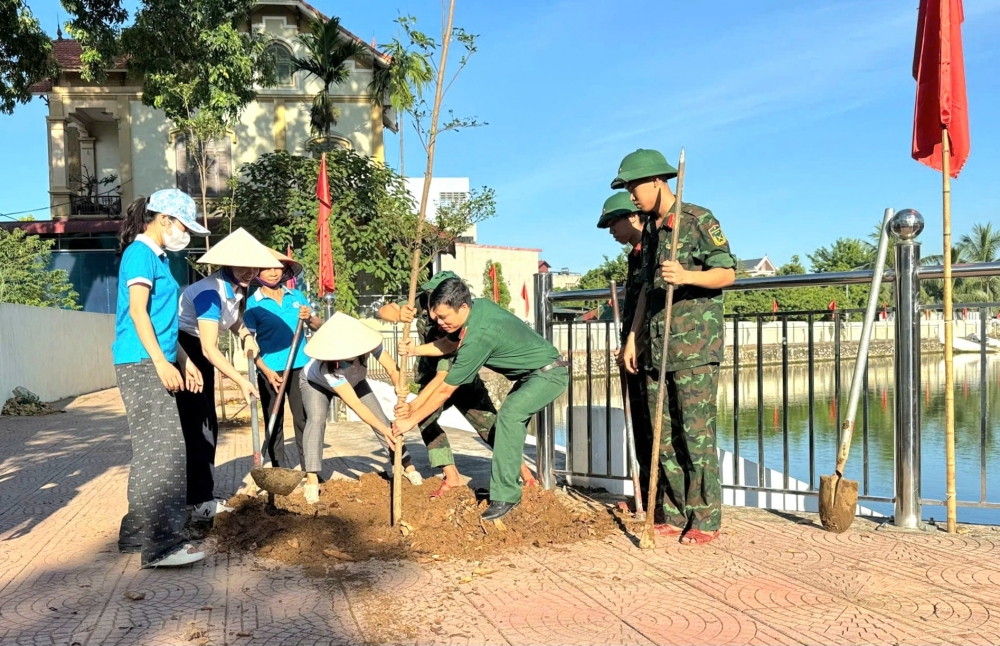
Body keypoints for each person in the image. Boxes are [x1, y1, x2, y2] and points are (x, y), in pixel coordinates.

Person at [613, 148, 737, 545]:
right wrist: (632, 338)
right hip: (655, 346)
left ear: (657, 181)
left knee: (695, 435)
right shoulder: (651, 231)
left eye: (634, 186)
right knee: (662, 434)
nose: (632, 196)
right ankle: (673, 510)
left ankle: (705, 518)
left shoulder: (697, 220)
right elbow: (645, 293)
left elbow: (727, 273)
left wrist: (686, 276)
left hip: (694, 347)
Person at [393, 278, 568, 521]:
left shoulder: (479, 336)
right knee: (507, 423)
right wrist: (414, 350)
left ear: (463, 307)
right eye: (436, 318)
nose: (439, 323)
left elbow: (444, 390)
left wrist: (410, 421)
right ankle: (512, 485)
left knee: (509, 417)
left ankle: (506, 496)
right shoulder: (478, 309)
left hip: (548, 375)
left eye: (443, 317)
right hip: (533, 375)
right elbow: (448, 345)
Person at [112, 189, 210, 567]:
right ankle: (163, 546)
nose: (186, 234)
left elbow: (161, 321)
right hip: (142, 362)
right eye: (184, 226)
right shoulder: (140, 253)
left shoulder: (158, 258)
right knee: (166, 455)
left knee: (150, 452)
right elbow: (138, 313)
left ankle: (136, 534)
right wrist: (161, 363)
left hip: (148, 360)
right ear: (164, 219)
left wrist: (184, 359)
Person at [378, 272, 537, 499]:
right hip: (430, 375)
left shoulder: (463, 324)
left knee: (490, 426)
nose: (436, 313)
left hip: (459, 376)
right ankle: (451, 476)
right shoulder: (424, 300)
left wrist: (413, 407)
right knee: (427, 421)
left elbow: (443, 379)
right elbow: (384, 310)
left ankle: (525, 474)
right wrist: (398, 314)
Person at [175, 228, 284, 521]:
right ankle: (199, 502)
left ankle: (200, 496)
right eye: (243, 266)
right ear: (228, 264)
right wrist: (241, 380)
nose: (250, 272)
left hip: (199, 352)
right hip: (186, 352)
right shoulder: (209, 293)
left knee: (208, 425)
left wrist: (245, 335)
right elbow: (209, 348)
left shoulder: (235, 289)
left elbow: (233, 320)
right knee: (200, 427)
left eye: (254, 267)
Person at [300, 313, 424, 503]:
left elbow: (392, 368)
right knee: (316, 420)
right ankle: (311, 479)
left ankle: (407, 466)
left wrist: (399, 385)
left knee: (382, 420)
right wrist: (384, 430)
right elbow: (356, 405)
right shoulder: (328, 368)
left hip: (355, 381)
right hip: (315, 384)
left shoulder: (368, 344)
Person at [596, 191, 654, 512]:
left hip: (647, 350)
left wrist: (638, 342)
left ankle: (659, 500)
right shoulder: (635, 255)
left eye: (613, 223)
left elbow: (652, 304)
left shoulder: (652, 249)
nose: (611, 231)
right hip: (633, 350)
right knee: (641, 428)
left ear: (633, 217)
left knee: (653, 428)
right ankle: (644, 495)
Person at [243, 249, 321, 469]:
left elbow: (317, 325)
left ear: (285, 270)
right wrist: (265, 370)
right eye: (267, 268)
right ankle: (279, 470)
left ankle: (310, 469)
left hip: (300, 368)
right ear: (258, 272)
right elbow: (248, 344)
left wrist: (310, 317)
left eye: (277, 268)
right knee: (274, 421)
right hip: (270, 371)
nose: (273, 272)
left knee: (303, 419)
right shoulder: (253, 304)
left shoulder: (296, 297)